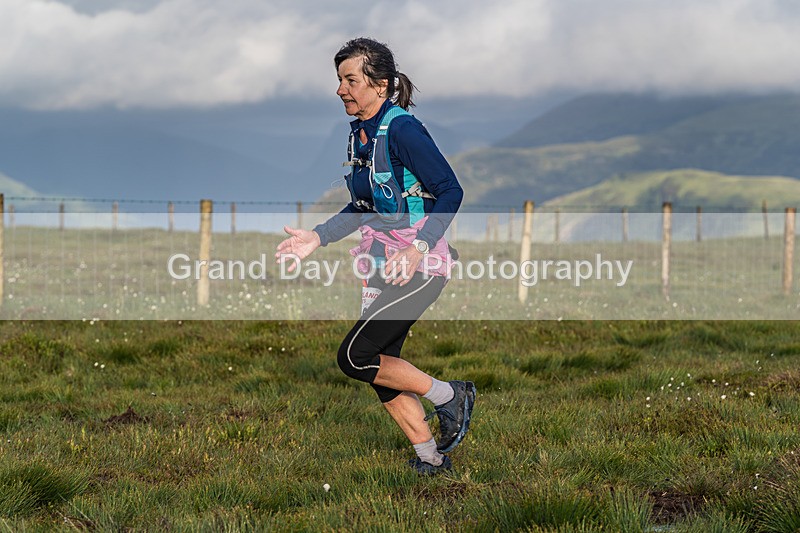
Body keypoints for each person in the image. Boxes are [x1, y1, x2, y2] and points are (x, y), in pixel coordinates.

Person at [275, 37, 475, 476]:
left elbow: (450, 191)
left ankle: (450, 395)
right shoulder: (360, 135)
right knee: (382, 366)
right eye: (339, 80)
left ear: (380, 84)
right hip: (381, 261)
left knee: (354, 357)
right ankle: (431, 458)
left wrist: (419, 248)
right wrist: (318, 237)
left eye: (350, 80)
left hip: (419, 263)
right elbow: (363, 206)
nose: (341, 89)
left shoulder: (403, 130)